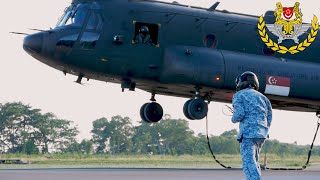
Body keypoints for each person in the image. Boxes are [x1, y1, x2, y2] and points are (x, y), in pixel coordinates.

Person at [231, 71, 272, 180]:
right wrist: (264, 130)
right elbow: (269, 117)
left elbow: (239, 114)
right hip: (261, 134)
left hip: (248, 134)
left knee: (248, 163)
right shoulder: (264, 98)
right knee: (254, 161)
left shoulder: (239, 95)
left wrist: (233, 118)